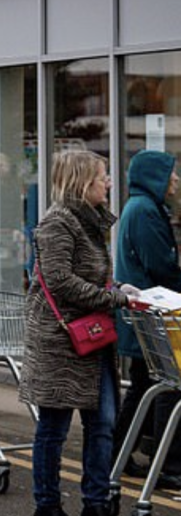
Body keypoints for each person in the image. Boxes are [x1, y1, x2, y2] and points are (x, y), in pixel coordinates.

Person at [21, 150, 136, 516]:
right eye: (103, 176)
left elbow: (90, 275)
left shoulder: (92, 222)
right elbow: (59, 281)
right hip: (60, 341)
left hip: (93, 337)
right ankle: (48, 505)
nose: (109, 183)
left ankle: (96, 503)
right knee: (53, 429)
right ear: (83, 182)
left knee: (102, 423)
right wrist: (112, 297)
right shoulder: (58, 223)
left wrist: (118, 288)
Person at [114, 150, 181, 487]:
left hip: (143, 314)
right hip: (155, 314)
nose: (176, 180)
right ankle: (169, 463)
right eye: (172, 174)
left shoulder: (141, 207)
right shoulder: (145, 211)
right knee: (167, 387)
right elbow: (161, 267)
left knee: (143, 385)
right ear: (156, 176)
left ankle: (119, 454)